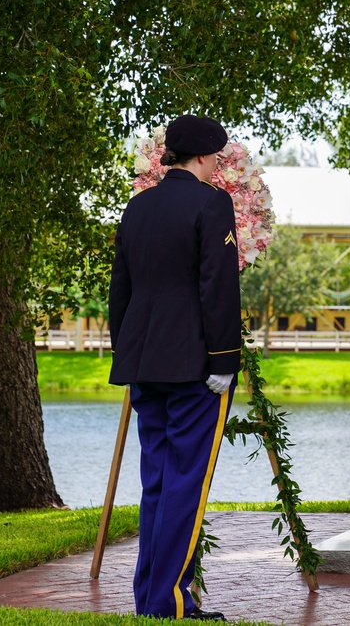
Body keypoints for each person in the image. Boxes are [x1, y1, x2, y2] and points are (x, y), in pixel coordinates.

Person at [108, 114, 242, 622]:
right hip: (193, 365)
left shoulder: (138, 206)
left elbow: (121, 288)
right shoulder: (213, 203)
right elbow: (217, 285)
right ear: (207, 157)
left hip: (145, 361)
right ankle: (169, 604)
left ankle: (151, 599)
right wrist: (224, 358)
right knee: (185, 485)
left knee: (158, 484)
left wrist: (128, 352)